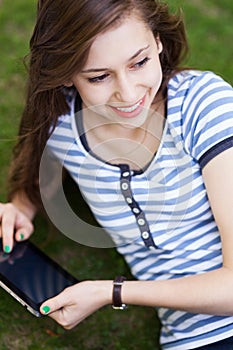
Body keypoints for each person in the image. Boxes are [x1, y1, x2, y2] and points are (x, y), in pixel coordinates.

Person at [1, 0, 233, 348]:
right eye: (98, 76)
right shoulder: (63, 127)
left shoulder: (204, 105)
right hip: (190, 340)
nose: (127, 94)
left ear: (157, 41)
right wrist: (21, 207)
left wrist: (111, 292)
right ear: (65, 73)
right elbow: (38, 177)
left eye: (139, 62)